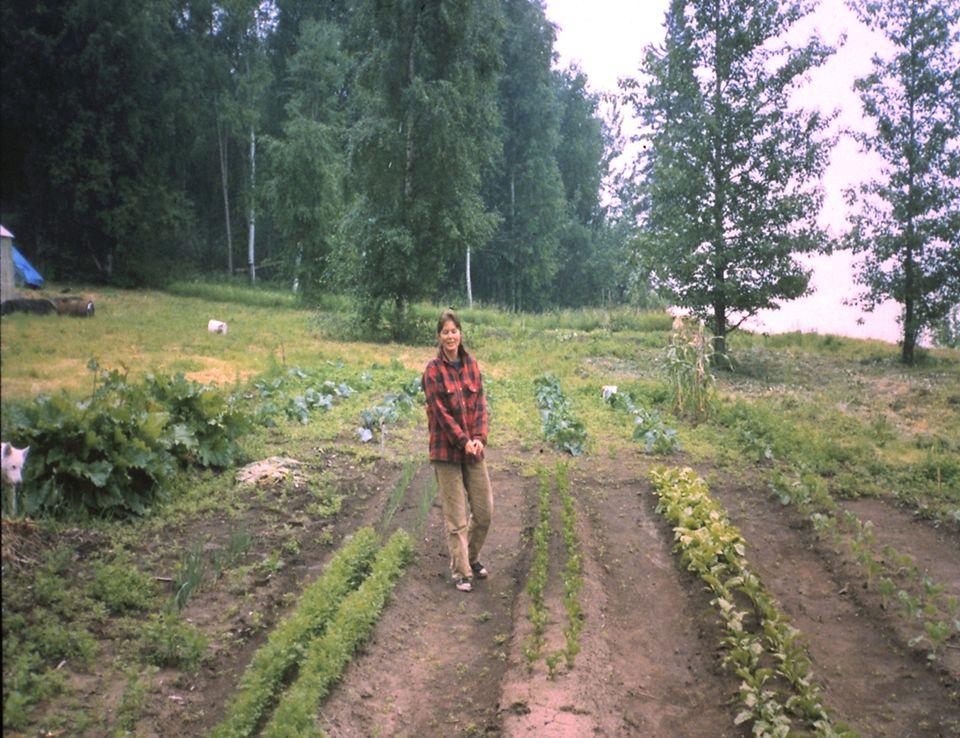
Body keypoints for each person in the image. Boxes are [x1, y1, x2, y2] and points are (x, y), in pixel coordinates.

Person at [422, 309, 493, 592]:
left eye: (454, 331)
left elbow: (480, 407)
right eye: (445, 332)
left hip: (473, 449)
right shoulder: (432, 371)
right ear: (439, 337)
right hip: (446, 452)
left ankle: (471, 558)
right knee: (457, 517)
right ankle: (461, 571)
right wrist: (463, 440)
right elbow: (440, 413)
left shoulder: (472, 365)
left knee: (484, 511)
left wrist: (478, 438)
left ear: (460, 333)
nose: (450, 336)